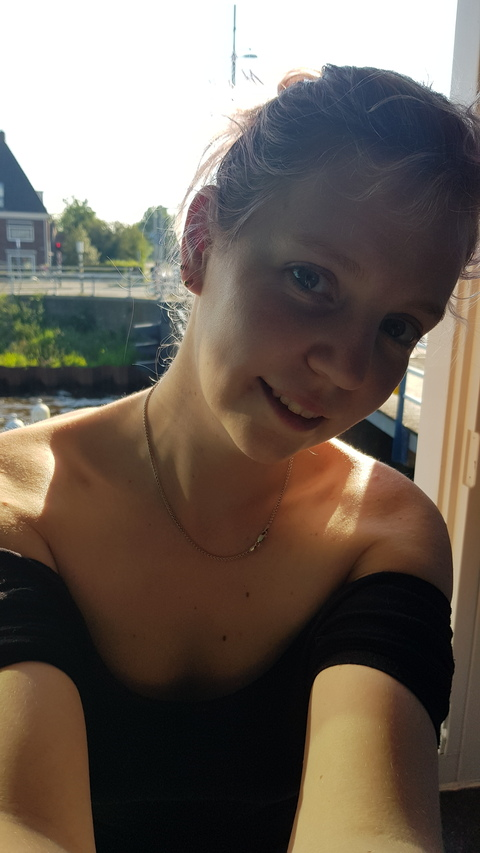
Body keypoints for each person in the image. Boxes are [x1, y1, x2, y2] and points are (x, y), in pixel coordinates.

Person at [0, 65, 479, 853]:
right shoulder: (15, 507)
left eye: (398, 327)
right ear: (201, 243)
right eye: (310, 279)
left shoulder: (384, 534)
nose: (348, 368)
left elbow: (376, 824)